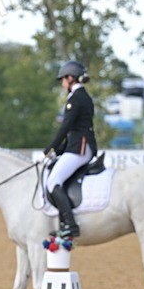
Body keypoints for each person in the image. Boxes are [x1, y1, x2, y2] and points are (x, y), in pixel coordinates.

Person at [43, 61, 96, 237]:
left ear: (70, 78)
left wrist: (51, 147)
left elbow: (66, 127)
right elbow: (73, 130)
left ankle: (70, 225)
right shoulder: (83, 96)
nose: (62, 83)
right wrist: (58, 151)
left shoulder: (76, 98)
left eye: (63, 80)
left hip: (79, 148)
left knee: (53, 182)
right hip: (77, 145)